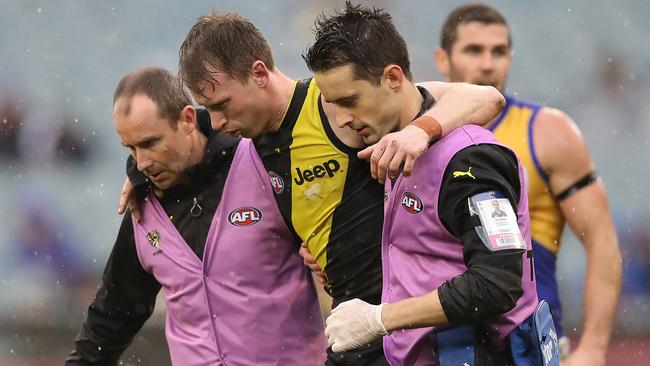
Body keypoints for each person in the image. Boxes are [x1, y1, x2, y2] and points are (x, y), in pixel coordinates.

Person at [118, 11, 505, 366]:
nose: (216, 121)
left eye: (222, 105)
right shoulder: (249, 146)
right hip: (350, 332)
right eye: (208, 109)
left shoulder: (334, 105)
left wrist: (419, 132)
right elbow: (188, 141)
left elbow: (483, 97)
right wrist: (139, 170)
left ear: (258, 73)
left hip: (402, 328)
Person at [305, 3, 556, 365]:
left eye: (350, 101)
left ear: (393, 78)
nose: (342, 120)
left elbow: (497, 283)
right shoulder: (390, 147)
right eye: (333, 105)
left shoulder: (469, 159)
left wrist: (379, 319)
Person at [66, 67, 327, 365]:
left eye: (150, 143)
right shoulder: (142, 209)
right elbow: (109, 321)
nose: (142, 162)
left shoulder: (262, 164)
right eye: (131, 149)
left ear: (188, 119)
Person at [433, 4, 621, 364]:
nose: (488, 63)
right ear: (443, 59)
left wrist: (594, 348)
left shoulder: (550, 132)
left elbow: (601, 240)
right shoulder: (418, 137)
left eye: (498, 51)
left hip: (532, 348)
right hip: (442, 349)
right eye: (474, 50)